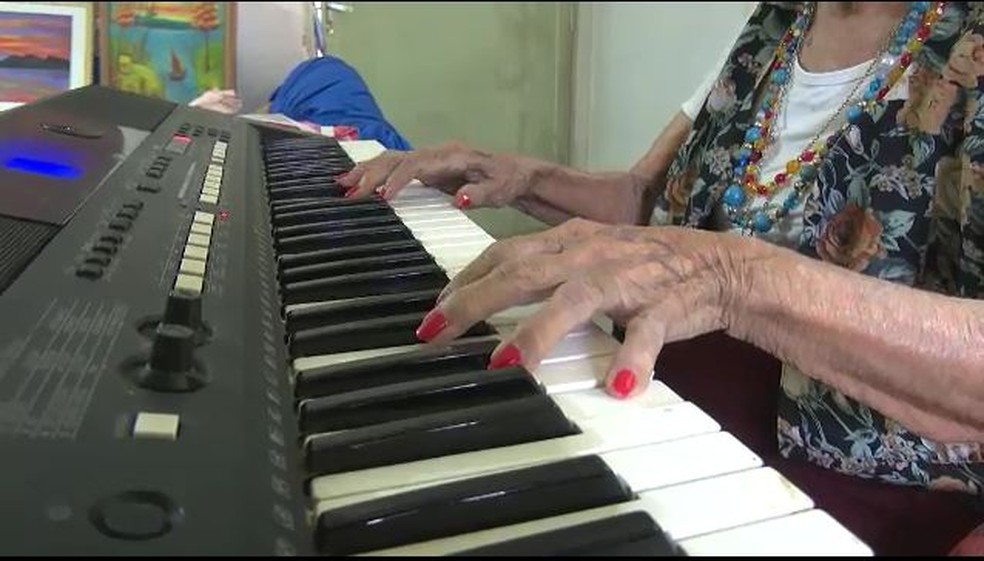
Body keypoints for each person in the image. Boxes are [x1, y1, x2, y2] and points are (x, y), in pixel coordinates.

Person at [338, 1, 984, 555]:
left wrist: (735, 273)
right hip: (665, 384)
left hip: (859, 460)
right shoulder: (780, 21)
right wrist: (522, 178)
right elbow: (648, 202)